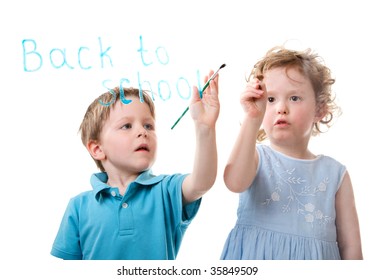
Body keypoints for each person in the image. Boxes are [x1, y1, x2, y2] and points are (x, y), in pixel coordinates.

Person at [51, 71, 220, 260]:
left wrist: (205, 127)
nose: (142, 132)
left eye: (148, 126)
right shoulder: (79, 207)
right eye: (126, 126)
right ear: (97, 149)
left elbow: (201, 182)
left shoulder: (166, 191)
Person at [220, 46, 362, 260]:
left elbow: (351, 247)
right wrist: (252, 118)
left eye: (294, 98)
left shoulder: (335, 174)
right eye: (270, 99)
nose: (281, 108)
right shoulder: (257, 158)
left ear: (320, 109)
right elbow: (233, 182)